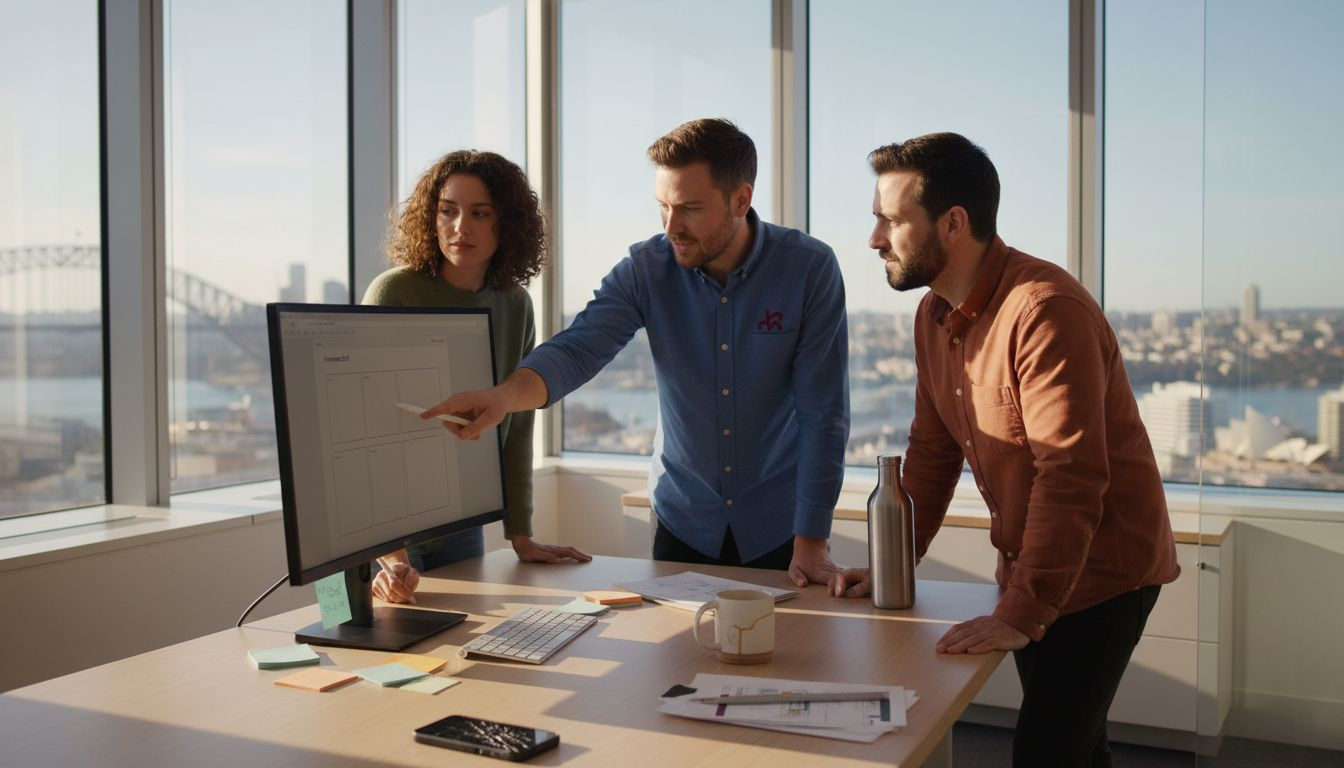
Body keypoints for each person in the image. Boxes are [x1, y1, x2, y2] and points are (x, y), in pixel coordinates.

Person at [830, 132, 1180, 766]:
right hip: (1032, 565)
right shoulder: (933, 314)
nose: (874, 239)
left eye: (889, 220)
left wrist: (1022, 610)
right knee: (1076, 746)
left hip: (1103, 571)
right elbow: (932, 452)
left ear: (954, 223)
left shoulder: (1045, 311)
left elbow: (1070, 475)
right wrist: (894, 562)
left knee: (1048, 752)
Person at [424, 118, 850, 587]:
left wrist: (813, 539)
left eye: (689, 208)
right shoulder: (646, 269)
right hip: (684, 521)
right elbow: (578, 348)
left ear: (741, 200)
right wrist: (505, 397)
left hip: (781, 528)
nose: (672, 227)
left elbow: (822, 413)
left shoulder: (809, 269)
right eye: (662, 207)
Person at [363, 150, 591, 605]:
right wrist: (391, 556)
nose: (459, 227)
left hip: (459, 520)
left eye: (479, 213)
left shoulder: (514, 303)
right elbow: (369, 429)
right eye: (447, 211)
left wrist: (521, 536)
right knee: (375, 653)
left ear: (505, 224)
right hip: (380, 525)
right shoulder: (394, 291)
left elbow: (517, 422)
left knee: (459, 650)